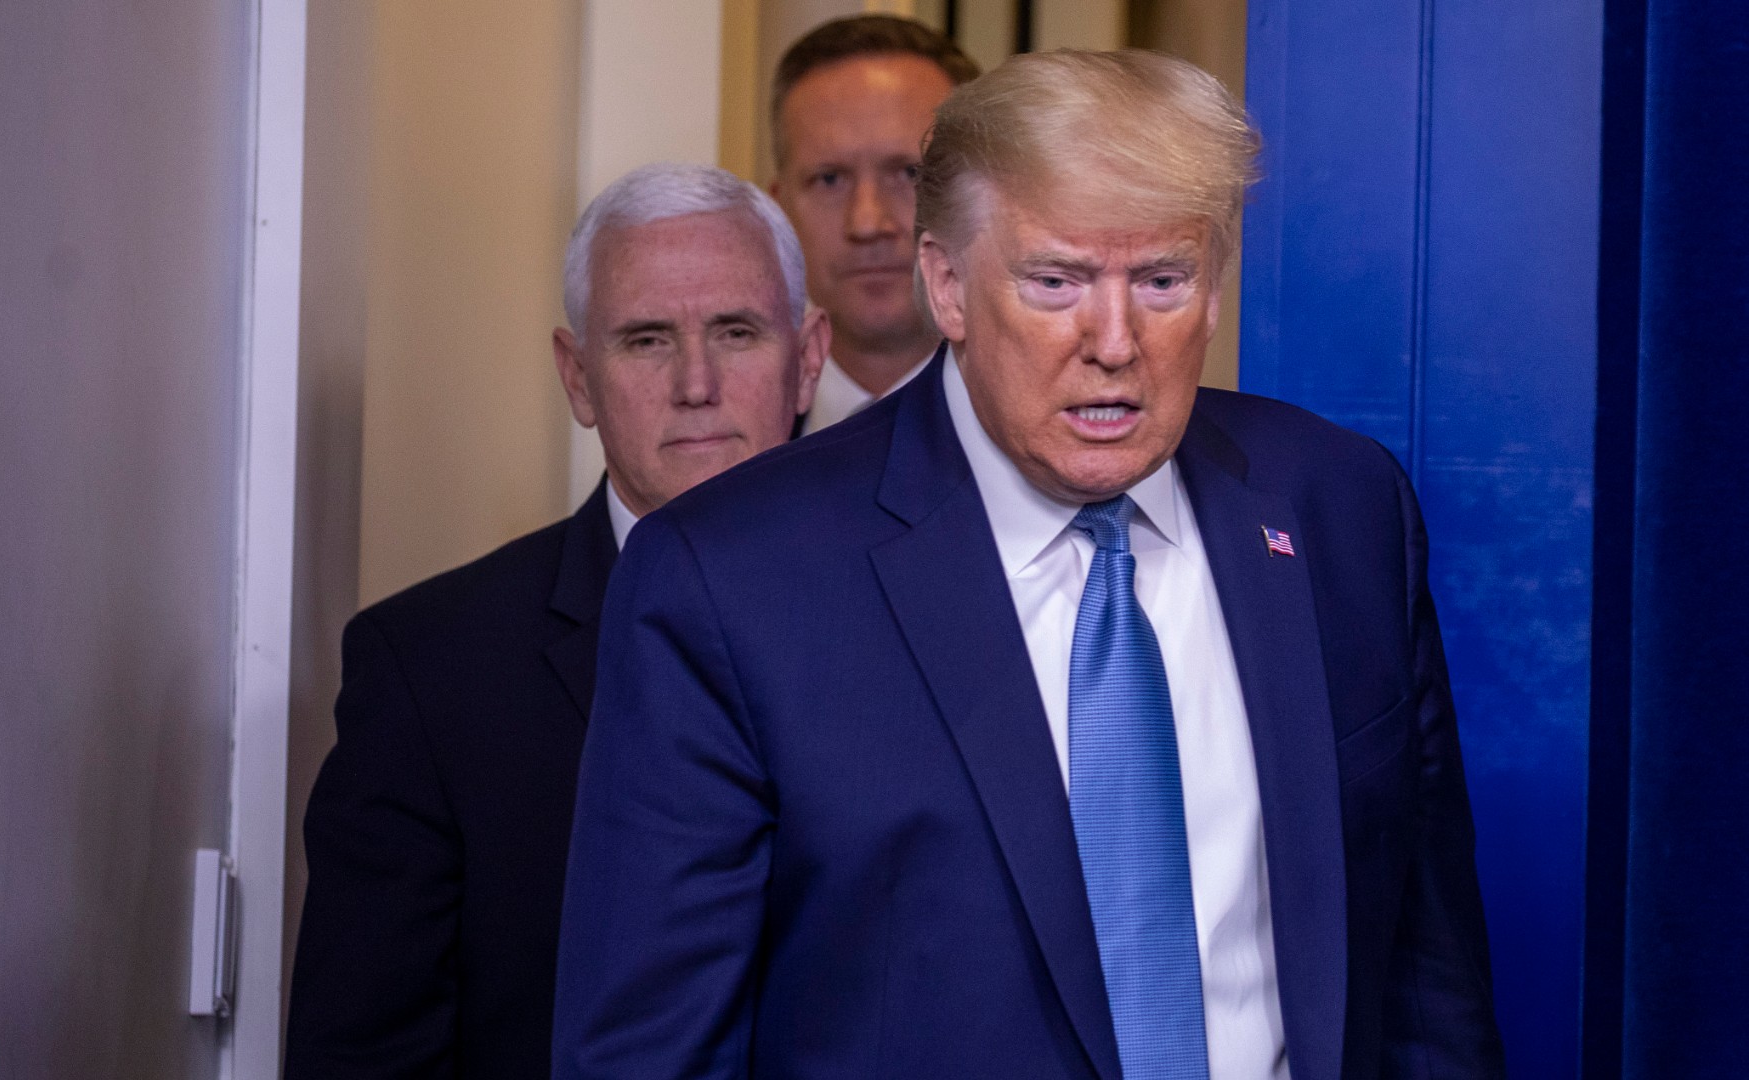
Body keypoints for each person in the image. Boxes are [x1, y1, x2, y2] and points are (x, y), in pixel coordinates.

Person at [554, 51, 1505, 1080]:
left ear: (1218, 289)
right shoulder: (729, 580)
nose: (1114, 341)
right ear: (948, 285)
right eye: (1055, 282)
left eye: (1162, 280)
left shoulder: (1337, 509)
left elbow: (1427, 985)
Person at [286, 163, 826, 1080]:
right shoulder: (432, 670)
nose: (696, 382)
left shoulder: (932, 618)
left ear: (807, 359)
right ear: (578, 378)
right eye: (647, 340)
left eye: (736, 332)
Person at [769, 15, 978, 432]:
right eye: (829, 179)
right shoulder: (727, 444)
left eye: (909, 174)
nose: (867, 223)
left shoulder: (1072, 446)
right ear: (778, 210)